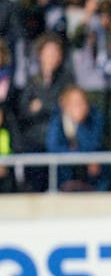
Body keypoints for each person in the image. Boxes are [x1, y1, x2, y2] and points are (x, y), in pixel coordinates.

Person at [16, 33, 74, 191]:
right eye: (48, 52)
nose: (52, 57)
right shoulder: (32, 81)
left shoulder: (67, 79)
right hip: (35, 141)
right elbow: (24, 111)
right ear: (40, 54)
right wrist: (51, 106)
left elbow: (66, 106)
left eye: (56, 52)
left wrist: (42, 106)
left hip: (58, 139)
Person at [46, 85, 109, 191]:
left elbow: (93, 145)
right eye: (74, 103)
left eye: (81, 102)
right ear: (64, 105)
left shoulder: (96, 118)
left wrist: (80, 124)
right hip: (66, 174)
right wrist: (77, 155)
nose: (78, 107)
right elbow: (53, 147)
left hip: (92, 176)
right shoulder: (57, 120)